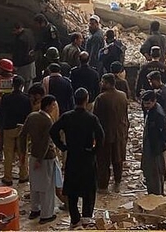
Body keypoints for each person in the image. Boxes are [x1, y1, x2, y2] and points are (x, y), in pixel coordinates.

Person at [50, 88, 105, 228]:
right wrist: (94, 150)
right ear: (87, 99)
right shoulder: (91, 118)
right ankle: (86, 219)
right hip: (87, 157)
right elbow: (101, 136)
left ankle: (74, 219)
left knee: (72, 190)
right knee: (88, 191)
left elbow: (53, 131)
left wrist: (62, 146)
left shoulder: (67, 116)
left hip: (72, 156)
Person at [19, 95, 60, 223]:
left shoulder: (32, 116)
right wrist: (40, 159)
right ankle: (46, 215)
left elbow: (22, 135)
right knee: (47, 187)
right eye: (53, 105)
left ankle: (35, 209)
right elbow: (46, 142)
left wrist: (22, 153)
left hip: (33, 154)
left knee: (35, 185)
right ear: (47, 106)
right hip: (46, 157)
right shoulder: (47, 120)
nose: (54, 107)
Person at [93, 73, 129, 193]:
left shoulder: (101, 98)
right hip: (120, 132)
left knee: (103, 160)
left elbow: (96, 118)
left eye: (103, 82)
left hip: (106, 134)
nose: (101, 84)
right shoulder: (122, 95)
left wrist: (94, 135)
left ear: (108, 83)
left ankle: (103, 186)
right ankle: (117, 182)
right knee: (118, 159)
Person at [0, 76, 32, 186]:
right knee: (23, 153)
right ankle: (23, 175)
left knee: (8, 154)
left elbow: (1, 113)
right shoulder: (26, 98)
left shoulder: (6, 98)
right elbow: (29, 115)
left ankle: (8, 177)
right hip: (22, 129)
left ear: (12, 85)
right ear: (22, 86)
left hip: (8, 128)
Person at [141, 90, 166, 195]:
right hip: (150, 144)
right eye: (144, 103)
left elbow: (164, 130)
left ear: (154, 101)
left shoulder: (157, 114)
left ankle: (156, 194)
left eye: (148, 103)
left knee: (155, 172)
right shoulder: (151, 110)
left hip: (155, 147)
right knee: (151, 171)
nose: (146, 106)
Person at [12, 22, 36, 88]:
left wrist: (15, 65)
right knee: (30, 82)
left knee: (22, 83)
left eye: (14, 30)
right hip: (31, 61)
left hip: (24, 65)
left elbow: (19, 54)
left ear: (19, 29)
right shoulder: (29, 32)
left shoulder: (21, 40)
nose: (13, 33)